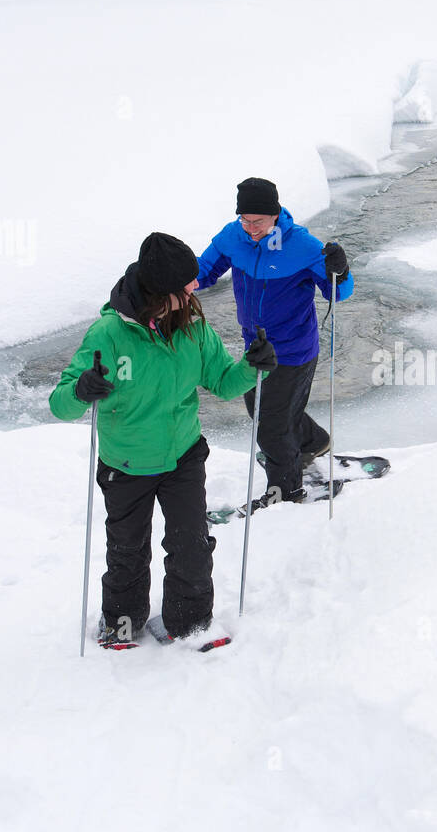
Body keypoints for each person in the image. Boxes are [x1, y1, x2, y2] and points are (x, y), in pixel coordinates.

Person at [49, 233, 277, 649]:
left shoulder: (193, 327)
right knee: (127, 552)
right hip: (127, 465)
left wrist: (251, 365)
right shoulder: (109, 334)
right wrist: (82, 389)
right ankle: (121, 624)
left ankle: (189, 625)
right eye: (186, 284)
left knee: (191, 547)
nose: (195, 288)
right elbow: (60, 405)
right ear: (161, 291)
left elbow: (224, 382)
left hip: (183, 457)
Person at [195, 177, 353, 506]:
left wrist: (340, 270)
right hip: (256, 347)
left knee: (271, 428)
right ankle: (313, 443)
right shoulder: (233, 236)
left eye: (259, 221)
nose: (251, 228)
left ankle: (285, 490)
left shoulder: (303, 245)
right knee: (259, 410)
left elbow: (338, 292)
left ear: (276, 214)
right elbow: (205, 270)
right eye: (245, 220)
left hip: (294, 349)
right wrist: (168, 281)